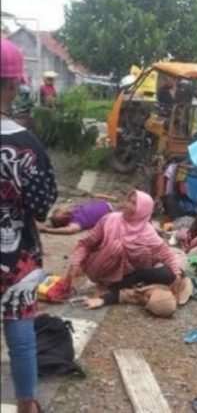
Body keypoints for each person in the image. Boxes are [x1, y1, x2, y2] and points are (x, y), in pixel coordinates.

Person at [1, 38, 57, 413]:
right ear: (10, 85)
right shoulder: (25, 145)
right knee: (20, 337)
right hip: (16, 256)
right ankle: (27, 406)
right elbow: (41, 206)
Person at [63, 190, 192, 313]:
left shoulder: (147, 231)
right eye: (128, 201)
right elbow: (85, 244)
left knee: (146, 252)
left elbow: (166, 253)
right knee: (117, 247)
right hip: (98, 269)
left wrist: (177, 274)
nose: (127, 206)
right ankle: (107, 281)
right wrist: (75, 264)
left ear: (143, 210)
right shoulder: (110, 220)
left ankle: (118, 284)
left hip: (126, 275)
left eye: (134, 203)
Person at [38, 198, 114, 235]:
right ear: (62, 225)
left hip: (107, 202)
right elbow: (69, 231)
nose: (65, 214)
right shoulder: (75, 223)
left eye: (62, 213)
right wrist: (47, 230)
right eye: (61, 220)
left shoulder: (72, 210)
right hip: (113, 214)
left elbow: (58, 210)